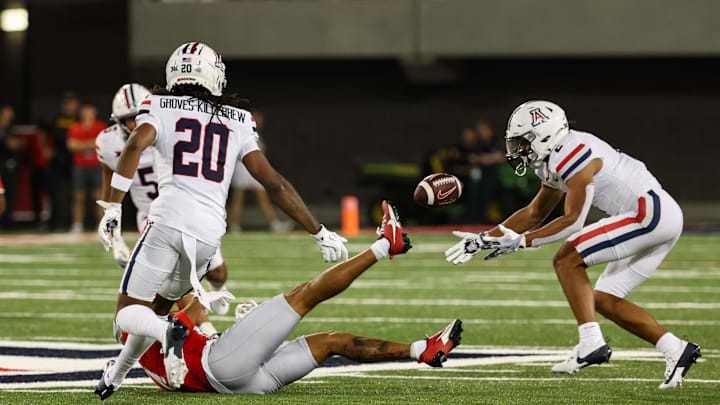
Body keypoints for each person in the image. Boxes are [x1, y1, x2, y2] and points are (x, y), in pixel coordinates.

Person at [95, 42, 348, 392]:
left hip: (167, 221)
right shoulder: (239, 117)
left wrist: (112, 207)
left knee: (127, 313)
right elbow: (272, 182)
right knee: (160, 307)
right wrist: (318, 231)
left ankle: (167, 331)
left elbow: (136, 145)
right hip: (208, 235)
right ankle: (118, 373)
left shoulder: (159, 104)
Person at [445, 100, 700, 389]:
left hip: (648, 214)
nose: (517, 150)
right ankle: (676, 348)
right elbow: (534, 213)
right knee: (603, 299)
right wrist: (483, 239)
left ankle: (591, 343)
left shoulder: (571, 150)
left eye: (523, 142)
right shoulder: (555, 158)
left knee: (566, 259)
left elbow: (574, 220)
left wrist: (522, 242)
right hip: (660, 216)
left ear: (544, 135)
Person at [96, 201, 463, 399]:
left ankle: (422, 350)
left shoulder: (143, 336)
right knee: (305, 295)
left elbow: (182, 323)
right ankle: (386, 245)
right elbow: (178, 318)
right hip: (220, 365)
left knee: (331, 341)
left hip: (240, 377)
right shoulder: (143, 324)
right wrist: (203, 304)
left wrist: (114, 376)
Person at [96, 83, 230, 320]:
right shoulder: (108, 144)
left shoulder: (172, 129)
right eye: (130, 119)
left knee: (217, 274)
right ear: (119, 120)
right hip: (151, 217)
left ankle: (218, 290)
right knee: (173, 285)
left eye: (139, 116)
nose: (137, 123)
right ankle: (204, 331)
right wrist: (116, 238)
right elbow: (109, 184)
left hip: (189, 210)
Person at [227, 111, 291, 232]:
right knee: (241, 197)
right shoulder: (246, 132)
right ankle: (235, 225)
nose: (259, 122)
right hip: (246, 167)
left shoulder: (255, 134)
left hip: (247, 167)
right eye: (257, 119)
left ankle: (236, 225)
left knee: (256, 197)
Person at [67, 104, 106, 233]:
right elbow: (71, 145)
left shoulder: (100, 126)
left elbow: (103, 143)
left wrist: (81, 144)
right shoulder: (75, 127)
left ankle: (100, 225)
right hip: (80, 166)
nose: (88, 113)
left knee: (99, 196)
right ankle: (77, 225)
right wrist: (91, 143)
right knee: (78, 196)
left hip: (97, 165)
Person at [46, 92, 79, 230]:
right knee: (55, 192)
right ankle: (54, 222)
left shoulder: (80, 119)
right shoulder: (56, 119)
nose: (68, 106)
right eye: (66, 103)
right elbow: (45, 134)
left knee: (77, 193)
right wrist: (46, 149)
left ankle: (75, 222)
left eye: (71, 103)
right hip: (58, 159)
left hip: (76, 160)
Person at [0, 105, 23, 228]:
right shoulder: (2, 129)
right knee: (2, 197)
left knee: (9, 196)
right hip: (2, 167)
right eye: (7, 112)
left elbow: (18, 144)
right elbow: (11, 144)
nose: (10, 115)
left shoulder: (11, 128)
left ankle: (7, 222)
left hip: (10, 166)